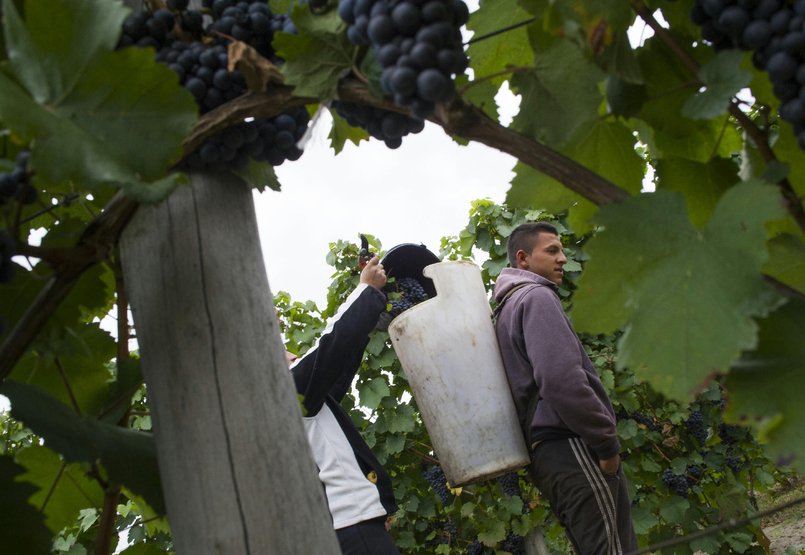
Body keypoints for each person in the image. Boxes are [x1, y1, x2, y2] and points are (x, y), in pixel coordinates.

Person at [493, 222, 638, 555]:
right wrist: (606, 444)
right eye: (552, 250)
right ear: (523, 259)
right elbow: (561, 380)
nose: (563, 259)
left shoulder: (505, 308)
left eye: (563, 250)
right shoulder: (537, 296)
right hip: (571, 445)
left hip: (547, 454)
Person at [286, 255, 400, 555]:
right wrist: (365, 292)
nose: (292, 353)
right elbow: (332, 345)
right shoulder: (285, 392)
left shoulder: (304, 404)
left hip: (347, 529)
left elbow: (336, 370)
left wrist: (366, 315)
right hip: (352, 528)